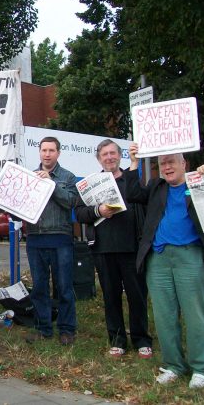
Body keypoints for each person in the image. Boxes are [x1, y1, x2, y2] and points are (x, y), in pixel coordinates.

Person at [126, 144, 204, 389]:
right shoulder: (157, 187)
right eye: (163, 163)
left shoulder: (197, 183)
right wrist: (135, 163)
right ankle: (173, 365)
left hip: (189, 257)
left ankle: (201, 368)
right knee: (164, 316)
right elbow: (133, 193)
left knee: (195, 315)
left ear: (184, 165)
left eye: (172, 162)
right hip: (158, 259)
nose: (167, 167)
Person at [74, 140, 152, 358]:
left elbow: (144, 201)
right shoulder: (92, 184)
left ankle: (141, 339)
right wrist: (98, 210)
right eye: (104, 155)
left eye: (113, 153)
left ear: (120, 156)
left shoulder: (131, 178)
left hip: (132, 248)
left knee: (137, 296)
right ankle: (117, 340)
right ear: (99, 159)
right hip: (104, 249)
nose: (109, 157)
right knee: (111, 296)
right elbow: (79, 213)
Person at [24, 137, 79, 346]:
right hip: (35, 237)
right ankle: (42, 328)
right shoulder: (29, 176)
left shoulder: (67, 177)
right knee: (39, 287)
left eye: (51, 150)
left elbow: (71, 202)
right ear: (39, 152)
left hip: (60, 238)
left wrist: (51, 183)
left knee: (64, 286)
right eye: (44, 150)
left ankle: (66, 329)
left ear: (58, 153)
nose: (47, 154)